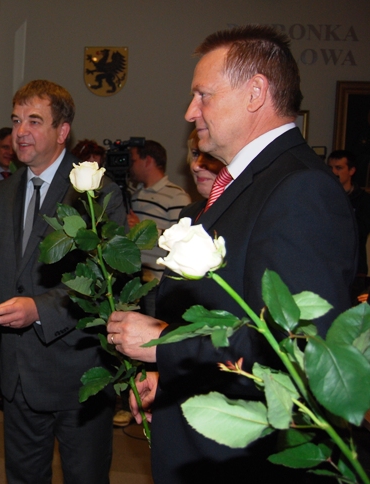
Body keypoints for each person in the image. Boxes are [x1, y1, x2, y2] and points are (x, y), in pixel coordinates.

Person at [107, 25, 356, 483]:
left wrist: (166, 343)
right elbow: (228, 310)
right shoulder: (247, 181)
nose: (190, 112)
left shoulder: (300, 188)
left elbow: (295, 348)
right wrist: (176, 376)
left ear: (255, 93)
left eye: (203, 95)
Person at [0, 80, 125, 484]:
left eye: (34, 121)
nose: (21, 131)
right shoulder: (1, 193)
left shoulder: (96, 192)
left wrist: (39, 309)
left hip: (79, 373)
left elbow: (103, 277)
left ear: (62, 131)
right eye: (16, 121)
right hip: (18, 373)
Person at [127, 140, 190, 316]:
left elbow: (182, 240)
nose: (130, 166)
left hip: (157, 283)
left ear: (148, 160)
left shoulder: (176, 196)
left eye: (134, 160)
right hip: (135, 281)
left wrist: (143, 229)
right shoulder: (135, 194)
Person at [327, 150, 370, 275]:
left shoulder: (364, 200)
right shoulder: (322, 197)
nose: (333, 172)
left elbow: (360, 231)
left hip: (354, 267)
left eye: (339, 168)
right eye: (330, 168)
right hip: (328, 267)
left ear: (351, 171)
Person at [181, 128, 226, 220]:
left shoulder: (248, 214)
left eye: (210, 156)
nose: (195, 166)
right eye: (195, 154)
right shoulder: (189, 213)